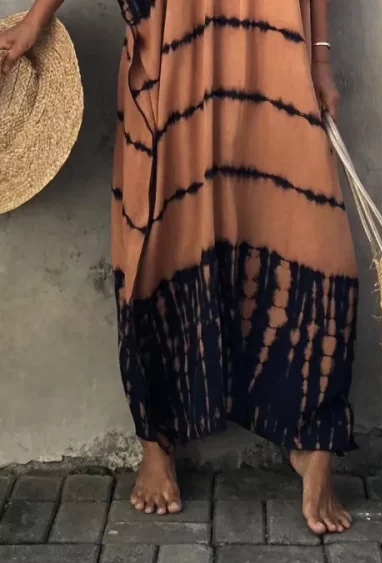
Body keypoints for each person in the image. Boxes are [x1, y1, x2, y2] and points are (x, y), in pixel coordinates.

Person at [0, 0, 358, 535]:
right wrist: (36, 18)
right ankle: (156, 441)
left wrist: (321, 60)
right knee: (161, 235)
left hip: (275, 34)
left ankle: (313, 441)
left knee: (310, 233)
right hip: (170, 44)